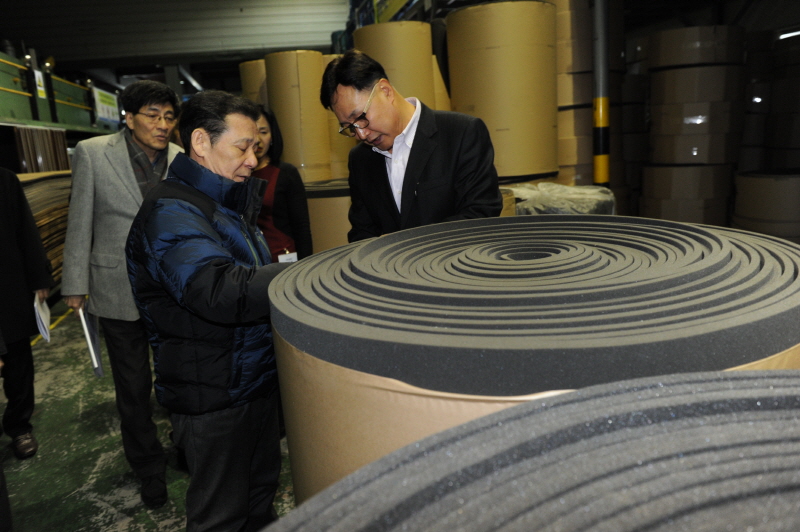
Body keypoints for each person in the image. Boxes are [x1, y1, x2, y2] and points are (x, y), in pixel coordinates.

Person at [126, 90, 289, 532]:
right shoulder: (171, 211)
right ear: (201, 142)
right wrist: (302, 276)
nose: (253, 160)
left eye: (256, 147)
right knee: (221, 515)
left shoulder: (224, 204)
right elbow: (216, 289)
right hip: (213, 396)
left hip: (250, 383)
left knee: (258, 500)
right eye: (242, 147)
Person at [61, 80, 182, 509]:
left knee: (179, 376)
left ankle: (185, 446)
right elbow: (80, 219)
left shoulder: (182, 158)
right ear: (128, 118)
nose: (162, 124)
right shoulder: (94, 153)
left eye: (169, 116)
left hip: (171, 289)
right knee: (133, 388)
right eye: (153, 115)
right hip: (116, 288)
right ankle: (148, 467)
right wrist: (75, 283)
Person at [320, 49, 503, 243]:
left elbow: (481, 215)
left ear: (385, 91)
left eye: (361, 117)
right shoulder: (361, 159)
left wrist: (406, 244)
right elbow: (361, 233)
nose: (361, 134)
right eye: (349, 127)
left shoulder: (461, 133)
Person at [0, 168, 55, 461]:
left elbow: (25, 229)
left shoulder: (5, 180)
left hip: (6, 289)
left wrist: (39, 278)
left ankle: (19, 427)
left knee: (18, 364)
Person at [252, 107, 313, 262]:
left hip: (284, 258)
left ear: (272, 135)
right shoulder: (235, 174)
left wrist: (306, 265)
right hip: (250, 261)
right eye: (252, 132)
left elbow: (302, 228)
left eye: (263, 132)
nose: (258, 139)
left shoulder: (286, 173)